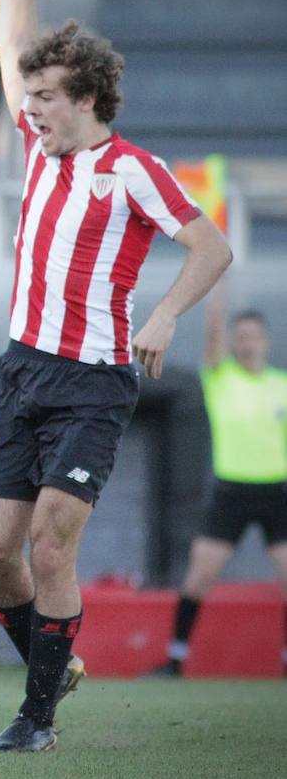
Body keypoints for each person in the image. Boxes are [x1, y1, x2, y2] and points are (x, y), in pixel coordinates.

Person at [0, 0, 233, 751]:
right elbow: (4, 35)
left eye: (48, 96)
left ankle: (37, 717)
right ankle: (55, 665)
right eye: (32, 96)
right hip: (20, 370)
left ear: (85, 97)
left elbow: (212, 249)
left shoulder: (133, 171)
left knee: (51, 544)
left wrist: (162, 319)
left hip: (93, 381)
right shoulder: (37, 149)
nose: (34, 108)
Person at [151, 282, 287, 677]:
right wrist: (218, 289)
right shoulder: (220, 378)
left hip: (277, 493)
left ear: (265, 340)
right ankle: (175, 660)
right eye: (239, 337)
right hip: (232, 493)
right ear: (233, 342)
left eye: (253, 337)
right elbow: (212, 337)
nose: (246, 344)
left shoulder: (281, 385)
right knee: (199, 577)